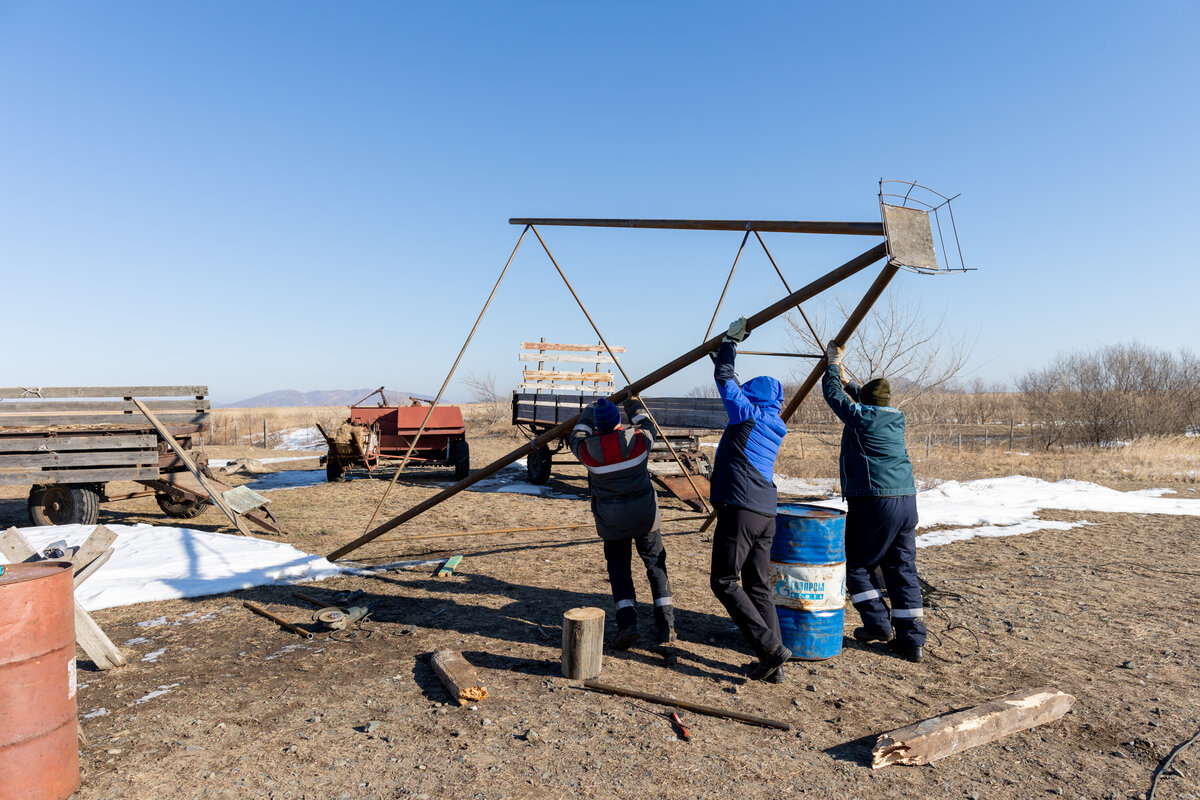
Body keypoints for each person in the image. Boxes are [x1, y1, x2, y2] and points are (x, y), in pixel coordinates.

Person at [821, 341, 925, 662]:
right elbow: (859, 397)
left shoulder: (862, 419)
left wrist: (831, 366)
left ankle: (879, 625)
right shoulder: (896, 418)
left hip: (874, 502)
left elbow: (834, 396)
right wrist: (847, 376)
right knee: (901, 567)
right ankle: (912, 642)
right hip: (906, 501)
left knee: (855, 564)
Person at [708, 317, 791, 682]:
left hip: (741, 509)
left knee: (724, 581)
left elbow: (726, 379)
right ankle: (774, 664)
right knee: (757, 585)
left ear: (751, 398)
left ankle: (770, 649)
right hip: (765, 513)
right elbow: (734, 385)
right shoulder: (773, 421)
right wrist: (721, 357)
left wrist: (729, 343)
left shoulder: (746, 417)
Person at [568, 397, 675, 649]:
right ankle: (666, 625)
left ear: (596, 426)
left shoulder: (586, 451)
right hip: (644, 517)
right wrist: (633, 403)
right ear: (618, 422)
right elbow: (647, 424)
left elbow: (577, 434)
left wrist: (589, 411)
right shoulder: (639, 442)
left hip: (612, 521)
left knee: (619, 570)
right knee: (656, 567)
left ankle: (628, 624)